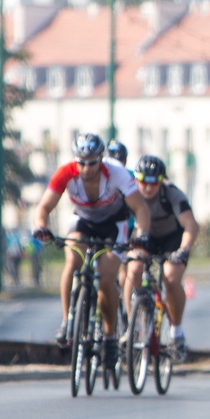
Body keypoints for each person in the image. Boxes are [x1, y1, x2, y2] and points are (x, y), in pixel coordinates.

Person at [32, 133, 151, 371]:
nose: (86, 168)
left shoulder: (116, 172)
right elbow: (43, 207)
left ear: (101, 159)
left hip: (113, 224)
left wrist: (141, 234)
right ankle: (67, 321)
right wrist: (40, 227)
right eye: (82, 162)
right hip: (83, 220)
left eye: (92, 162)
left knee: (107, 276)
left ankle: (109, 337)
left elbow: (140, 208)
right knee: (72, 260)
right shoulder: (66, 172)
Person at [122, 154, 199, 360]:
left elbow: (190, 224)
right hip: (144, 239)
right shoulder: (129, 195)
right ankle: (132, 326)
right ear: (136, 180)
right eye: (143, 182)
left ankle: (177, 332)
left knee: (171, 278)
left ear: (161, 181)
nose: (148, 188)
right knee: (134, 269)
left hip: (171, 240)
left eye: (154, 182)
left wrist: (183, 249)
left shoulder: (172, 195)